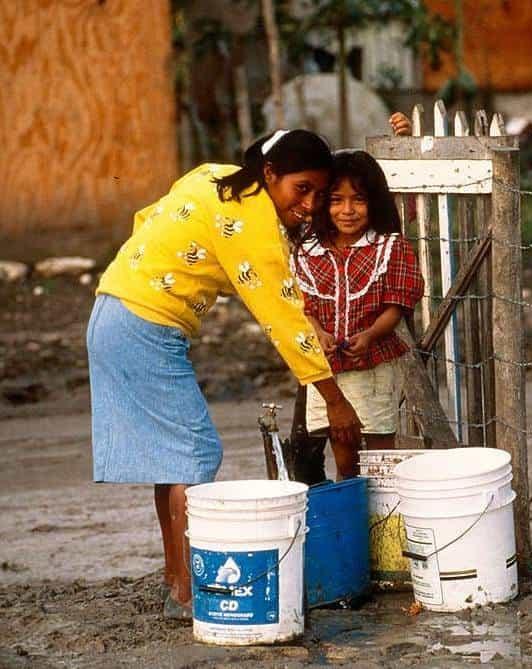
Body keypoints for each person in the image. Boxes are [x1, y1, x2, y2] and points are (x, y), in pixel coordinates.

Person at [87, 129, 364, 620]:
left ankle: (179, 584)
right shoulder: (253, 224)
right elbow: (279, 316)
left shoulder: (213, 178)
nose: (310, 203)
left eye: (319, 194)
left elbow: (148, 219)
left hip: (114, 308)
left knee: (171, 461)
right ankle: (190, 595)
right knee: (195, 454)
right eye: (302, 189)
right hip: (145, 324)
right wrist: (334, 399)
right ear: (270, 174)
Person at [291, 150, 424, 479]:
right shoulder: (307, 252)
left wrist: (370, 335)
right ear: (323, 202)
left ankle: (383, 524)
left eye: (358, 200)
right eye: (336, 200)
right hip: (329, 367)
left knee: (379, 449)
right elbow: (302, 305)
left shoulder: (390, 248)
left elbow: (396, 306)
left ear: (374, 202)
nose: (347, 211)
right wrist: (317, 332)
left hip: (372, 363)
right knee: (343, 449)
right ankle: (351, 517)